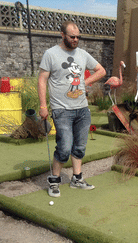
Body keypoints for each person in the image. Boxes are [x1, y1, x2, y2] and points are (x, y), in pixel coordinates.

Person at [38, 21, 106, 198]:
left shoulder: (83, 54)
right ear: (62, 35)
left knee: (80, 147)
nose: (75, 40)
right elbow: (42, 80)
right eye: (72, 36)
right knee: (64, 147)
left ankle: (77, 179)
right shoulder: (51, 54)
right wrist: (43, 106)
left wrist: (85, 82)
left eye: (78, 37)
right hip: (62, 110)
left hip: (82, 109)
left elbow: (101, 71)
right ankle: (54, 181)